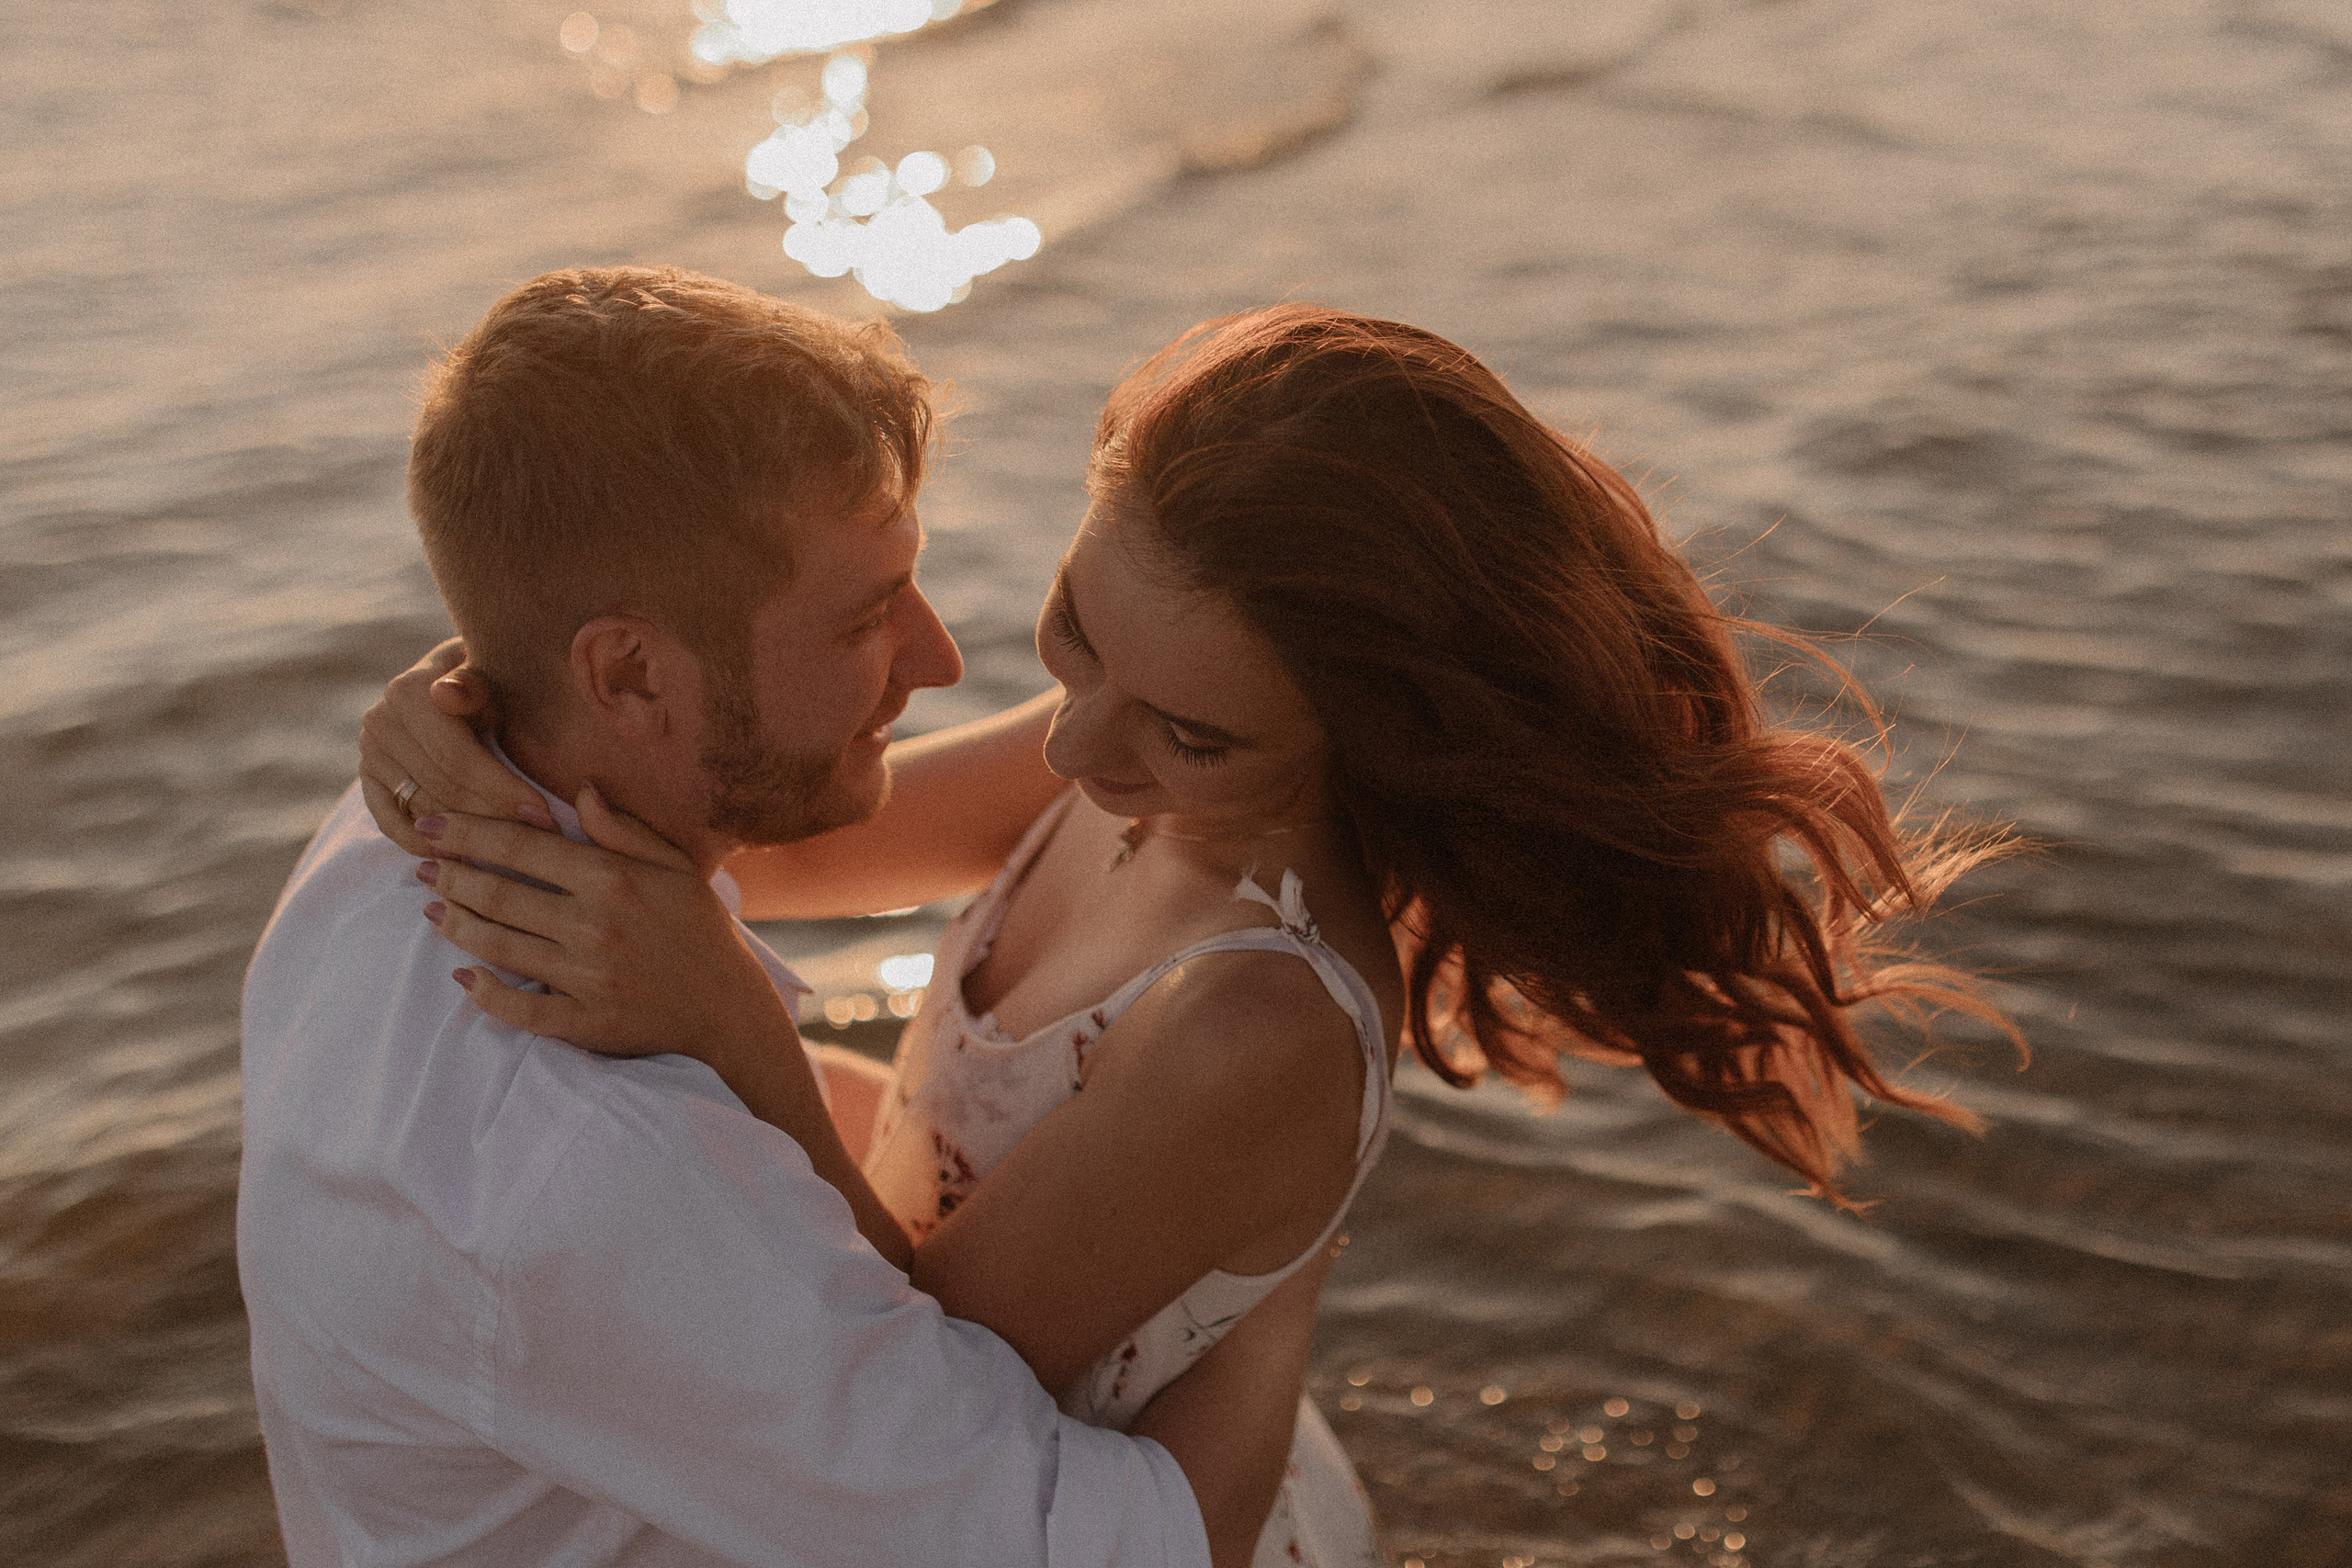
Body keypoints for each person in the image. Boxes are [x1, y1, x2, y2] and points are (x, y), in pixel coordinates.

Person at [362, 303, 2019, 1565]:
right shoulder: (1130, 743)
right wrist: (474, 703)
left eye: (1189, 735)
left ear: (1359, 738)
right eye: (1074, 632)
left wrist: (732, 1020)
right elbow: (779, 820)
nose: (1079, 755)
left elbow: (937, 1372)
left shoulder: (1258, 1020)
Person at [238, 266, 1326, 1568]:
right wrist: (1278, 1263)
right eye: (868, 615)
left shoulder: (387, 834)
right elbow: (1112, 1551)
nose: (938, 659)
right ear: (630, 673)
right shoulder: (604, 1168)